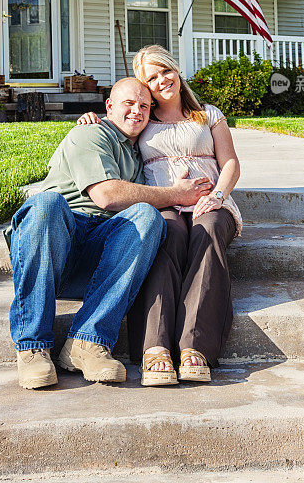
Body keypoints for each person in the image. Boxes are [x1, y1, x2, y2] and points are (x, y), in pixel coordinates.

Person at [8, 77, 213, 390]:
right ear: (109, 107)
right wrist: (176, 194)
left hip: (101, 255)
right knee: (46, 202)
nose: (137, 111)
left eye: (144, 106)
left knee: (146, 215)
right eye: (129, 103)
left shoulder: (137, 150)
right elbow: (106, 195)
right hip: (56, 242)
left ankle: (87, 343)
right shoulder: (89, 133)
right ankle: (32, 347)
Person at [77, 46, 241, 386]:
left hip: (210, 201)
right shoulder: (142, 122)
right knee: (166, 234)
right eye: (151, 78)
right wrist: (92, 119)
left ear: (177, 71)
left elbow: (230, 163)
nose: (162, 80)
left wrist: (217, 196)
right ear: (145, 88)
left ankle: (195, 345)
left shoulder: (208, 115)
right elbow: (115, 123)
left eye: (165, 71)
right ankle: (155, 346)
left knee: (206, 231)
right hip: (164, 203)